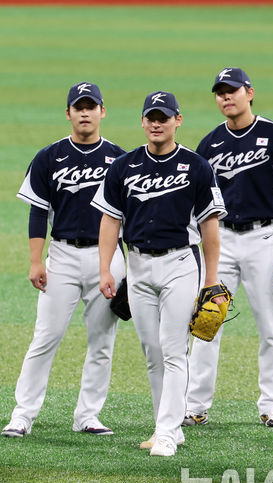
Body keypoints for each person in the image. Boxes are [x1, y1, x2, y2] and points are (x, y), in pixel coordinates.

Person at [93, 90, 227, 457]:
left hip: (180, 265)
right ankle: (164, 426)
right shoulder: (123, 166)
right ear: (142, 121)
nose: (156, 122)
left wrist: (211, 278)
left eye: (163, 117)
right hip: (136, 266)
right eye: (151, 116)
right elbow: (109, 219)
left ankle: (168, 431)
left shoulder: (197, 166)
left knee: (173, 350)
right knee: (152, 352)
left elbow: (210, 226)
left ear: (177, 121)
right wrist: (106, 268)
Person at [184, 68, 273, 429]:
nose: (226, 98)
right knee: (208, 323)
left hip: (263, 241)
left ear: (249, 93)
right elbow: (198, 205)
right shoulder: (208, 145)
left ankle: (271, 405)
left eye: (232, 91)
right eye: (220, 93)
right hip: (221, 242)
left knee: (270, 326)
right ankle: (195, 405)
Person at [1, 82, 126, 438]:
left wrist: (129, 266)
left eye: (91, 106)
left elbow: (127, 218)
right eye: (78, 107)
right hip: (63, 255)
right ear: (68, 113)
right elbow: (38, 213)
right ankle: (22, 415)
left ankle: (88, 414)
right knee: (46, 337)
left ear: (103, 111)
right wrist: (35, 261)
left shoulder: (119, 159)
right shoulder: (49, 157)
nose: (85, 113)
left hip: (108, 257)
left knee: (102, 339)